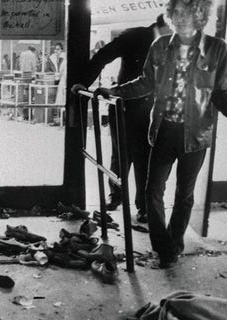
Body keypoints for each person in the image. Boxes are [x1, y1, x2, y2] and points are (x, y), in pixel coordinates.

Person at [93, 0, 227, 268]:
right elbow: (145, 83)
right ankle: (165, 248)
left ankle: (175, 243)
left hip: (196, 135)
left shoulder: (217, 49)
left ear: (200, 15)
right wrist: (114, 92)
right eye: (177, 13)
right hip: (163, 130)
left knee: (184, 194)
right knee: (152, 191)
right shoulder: (160, 46)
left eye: (188, 13)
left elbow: (220, 92)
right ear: (170, 15)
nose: (181, 18)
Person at [71, 14, 172, 223]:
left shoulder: (175, 44)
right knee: (119, 155)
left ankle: (143, 207)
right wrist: (83, 82)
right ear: (167, 23)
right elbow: (104, 56)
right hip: (125, 106)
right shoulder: (135, 36)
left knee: (145, 159)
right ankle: (115, 196)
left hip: (154, 111)